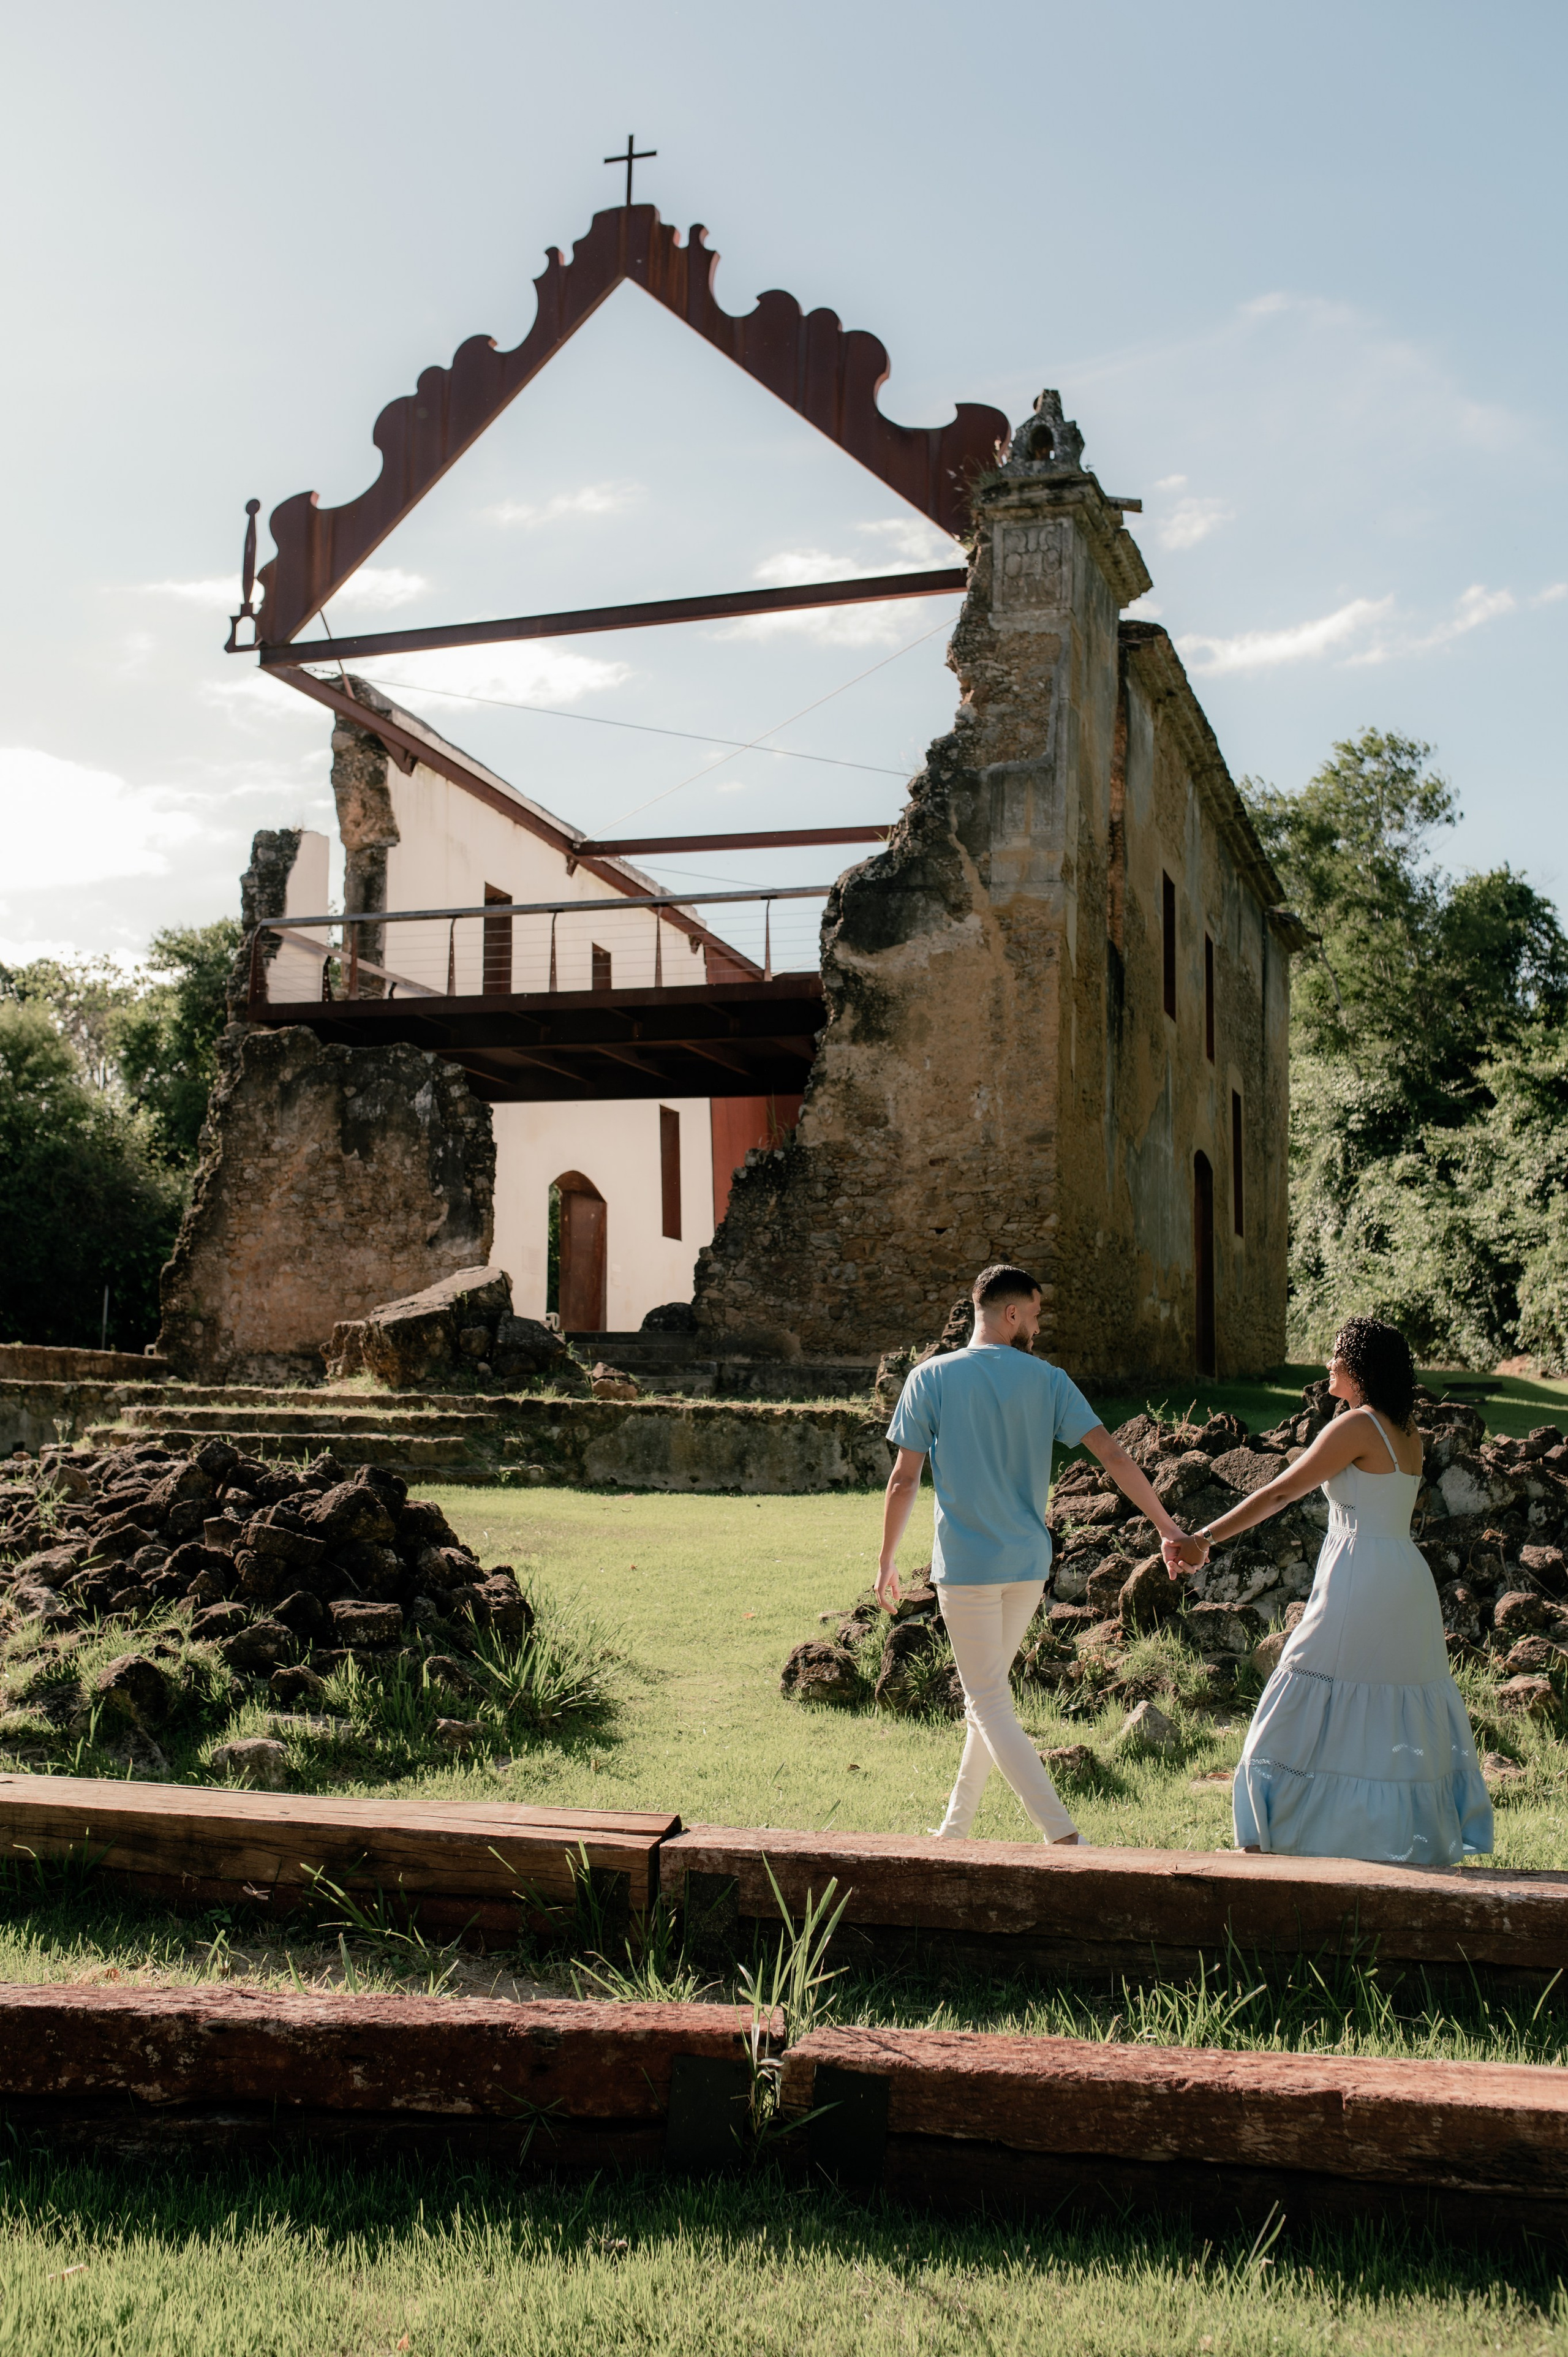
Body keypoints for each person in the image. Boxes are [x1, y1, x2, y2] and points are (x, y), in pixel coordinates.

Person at [878, 1263, 1195, 1845]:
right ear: (1011, 1314)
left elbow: (904, 1480)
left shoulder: (930, 1378)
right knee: (988, 1696)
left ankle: (1063, 1837)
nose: (1040, 1327)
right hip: (1027, 1568)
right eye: (1037, 1314)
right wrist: (1168, 1527)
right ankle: (955, 1829)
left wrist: (886, 1562)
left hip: (968, 1568)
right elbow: (1116, 1457)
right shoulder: (1048, 1381)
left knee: (988, 1699)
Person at [1162, 1317, 1493, 1865]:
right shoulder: (1405, 1430)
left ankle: (1268, 1832)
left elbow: (1281, 1493)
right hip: (1405, 1579)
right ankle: (1393, 1843)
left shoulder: (1357, 1427)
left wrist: (1202, 1539)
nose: (1328, 1363)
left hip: (1361, 1577)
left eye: (1337, 1354)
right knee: (1389, 1710)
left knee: (1297, 1693)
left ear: (1360, 1368)